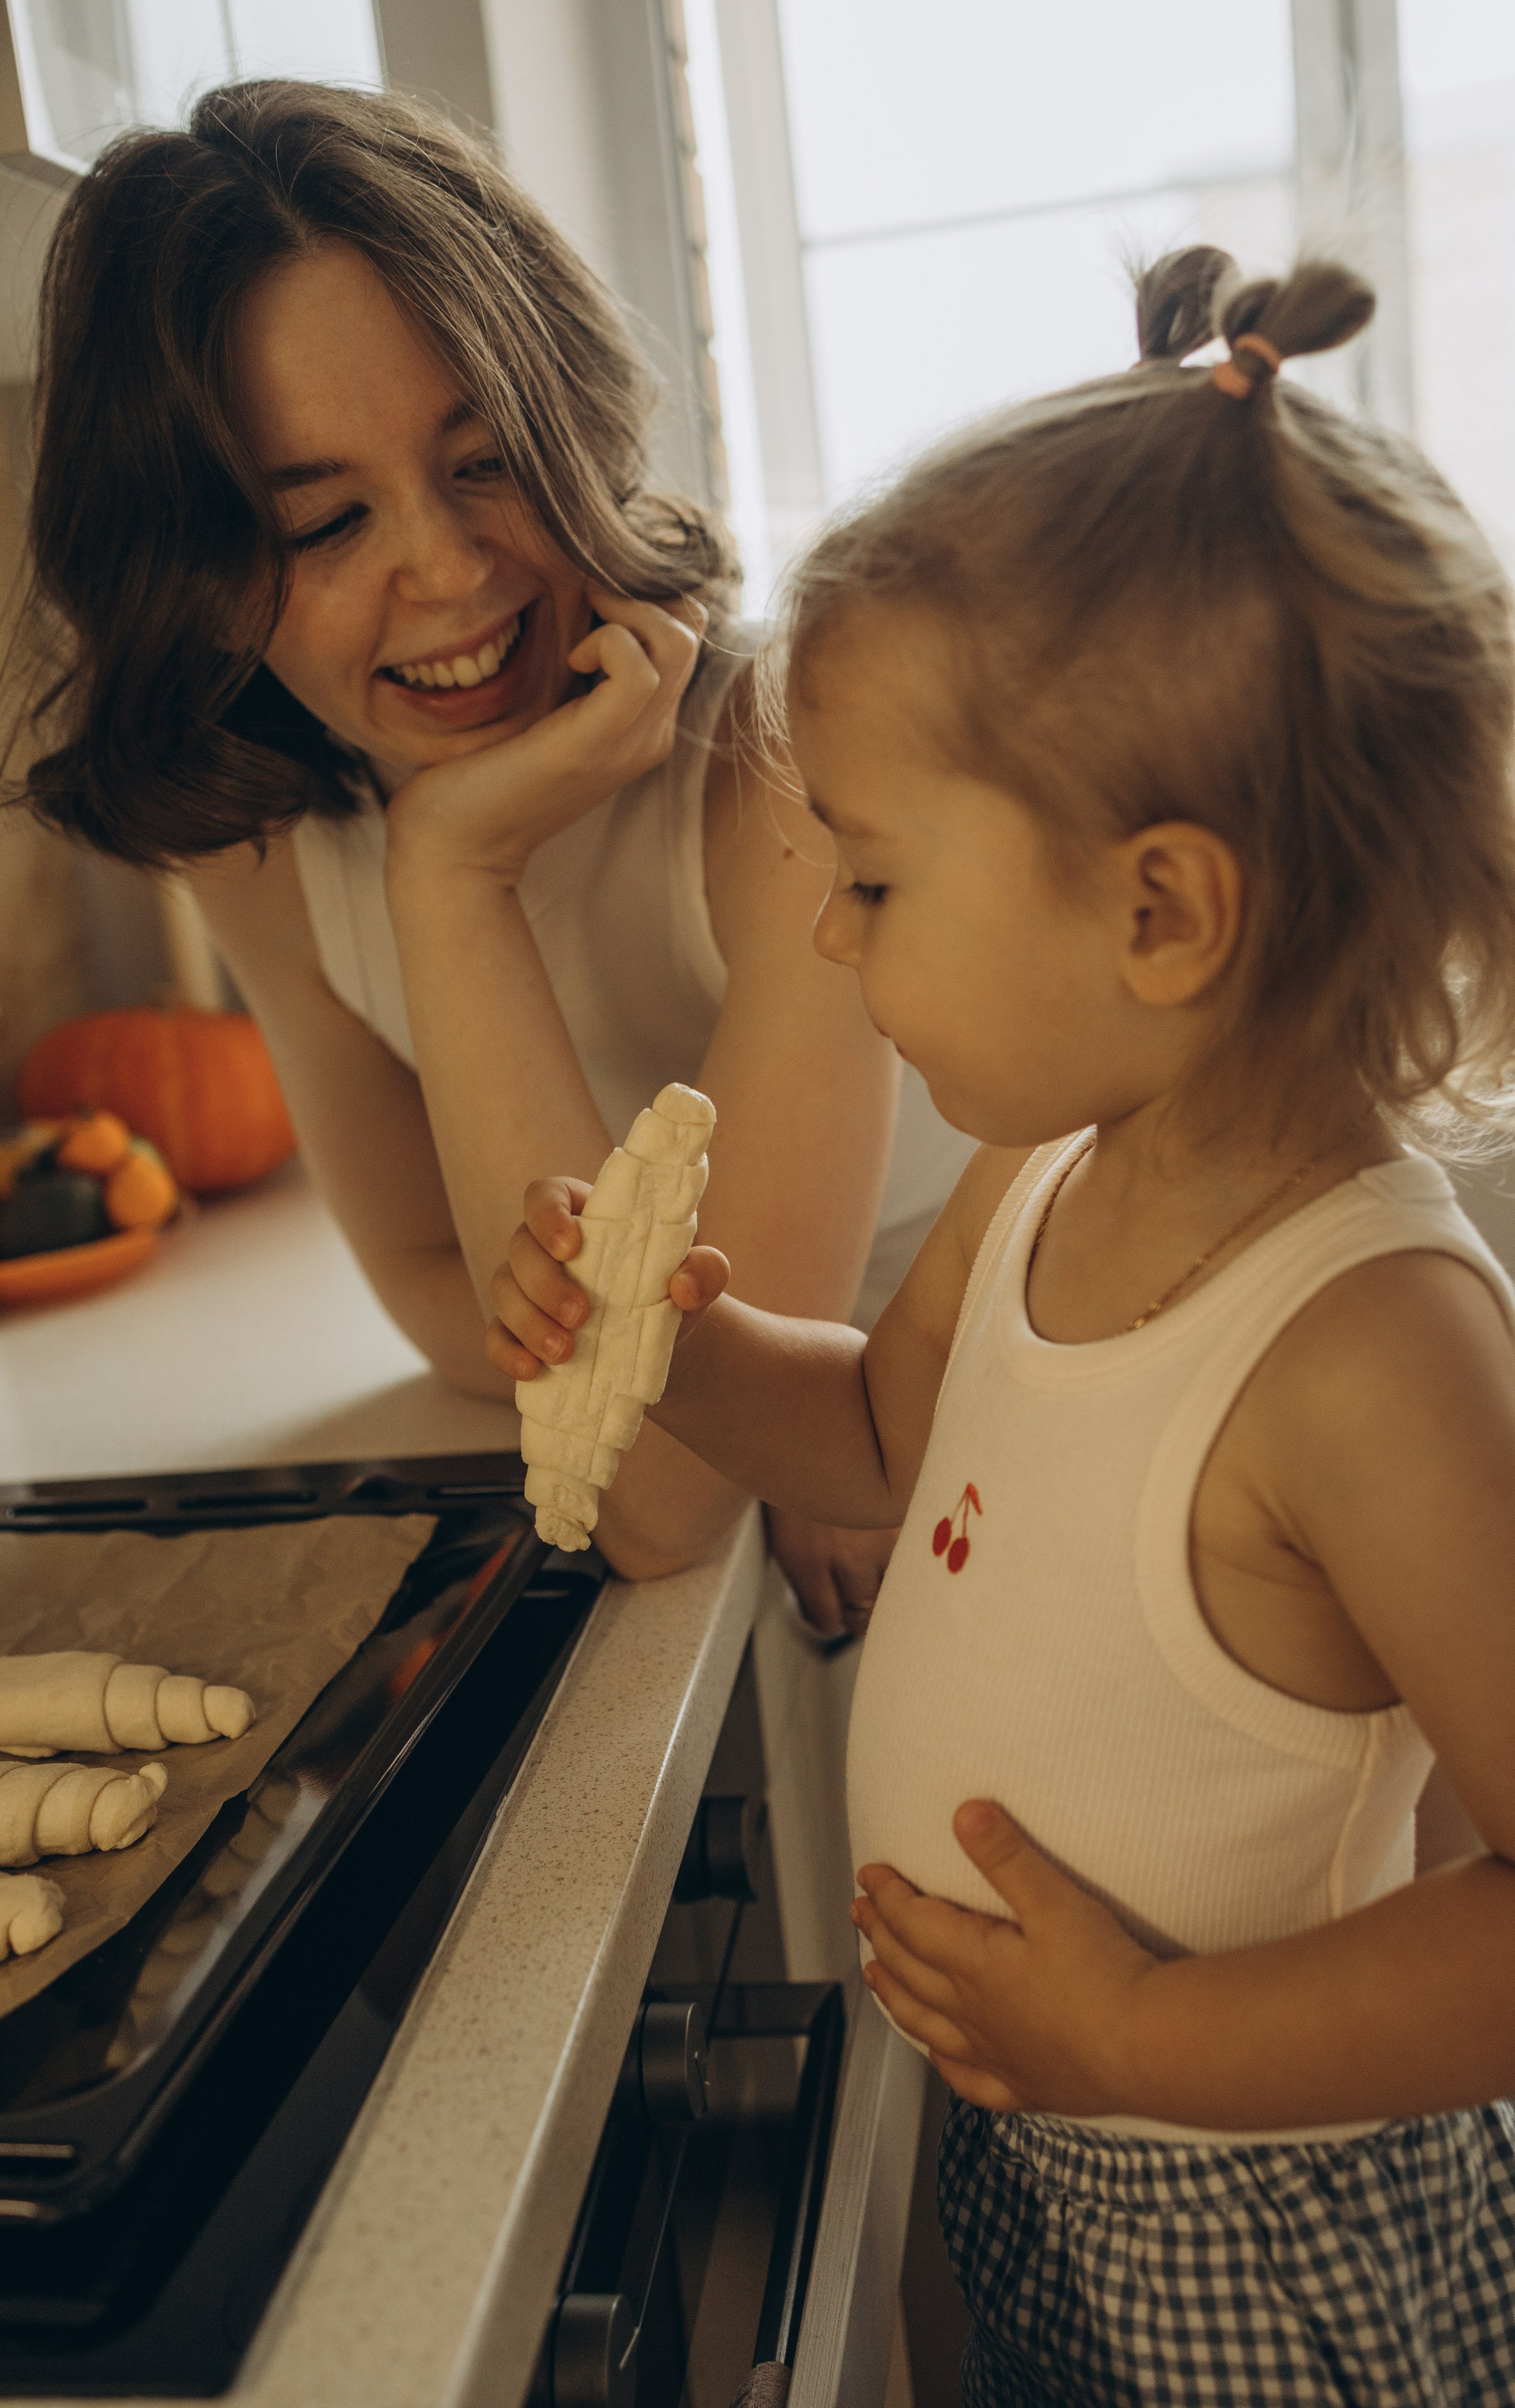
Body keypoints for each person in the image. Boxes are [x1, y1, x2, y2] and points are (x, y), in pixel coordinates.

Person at [487, 248, 1515, 2402]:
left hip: (1265, 2226)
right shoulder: (1054, 1169)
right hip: (1046, 2146)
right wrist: (660, 1340)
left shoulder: (1373, 1354)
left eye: (873, 880)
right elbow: (879, 1431)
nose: (836, 946)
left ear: (1158, 911)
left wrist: (1141, 2038)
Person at [0, 79, 971, 1619]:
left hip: (1003, 1406)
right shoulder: (253, 846)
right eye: (322, 525)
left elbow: (653, 1492)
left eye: (486, 457)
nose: (446, 570)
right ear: (182, 573)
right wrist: (449, 863)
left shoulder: (779, 764)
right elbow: (431, 1286)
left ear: (567, 420)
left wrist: (448, 880)